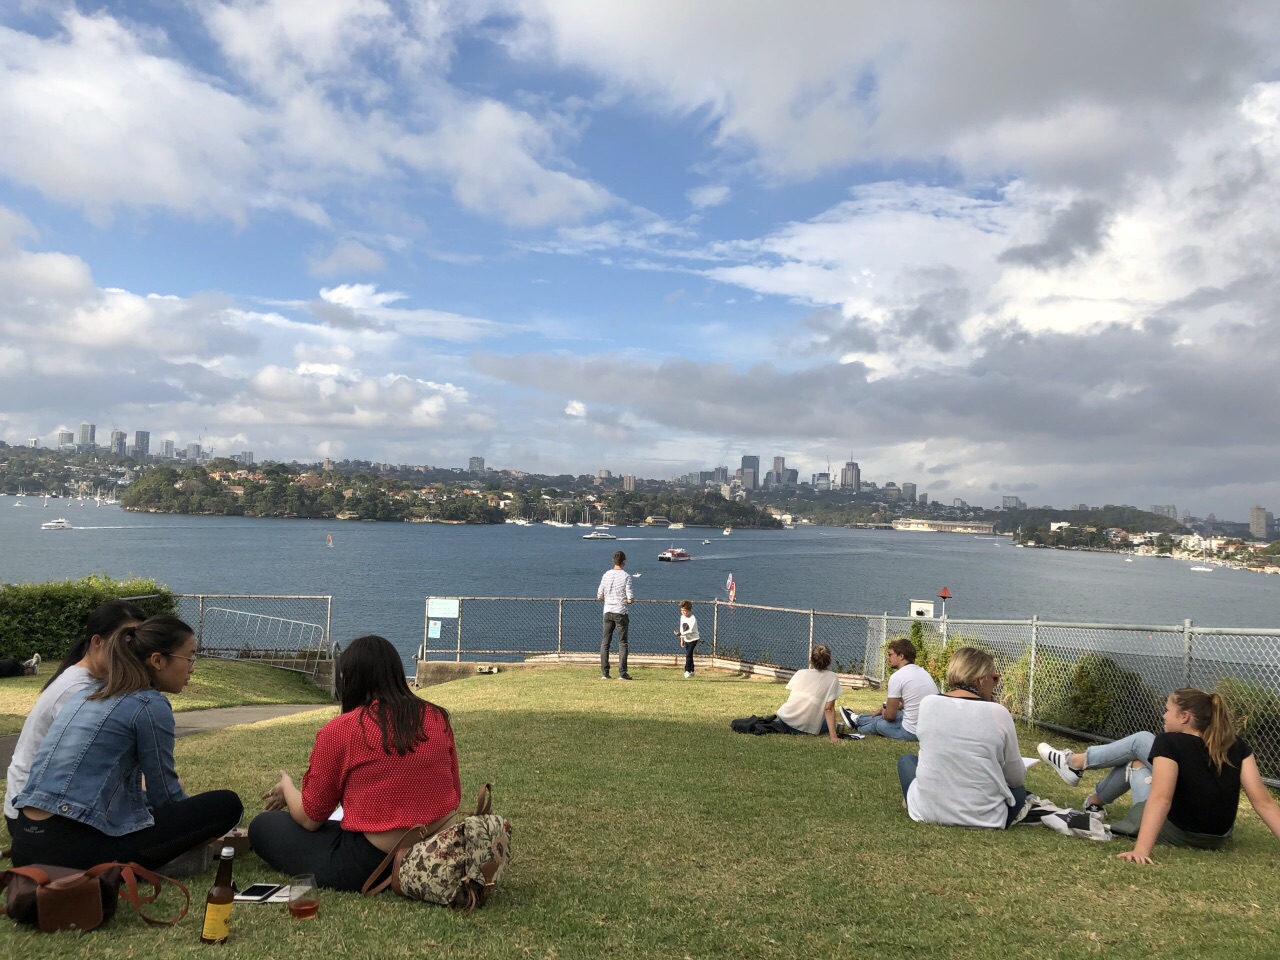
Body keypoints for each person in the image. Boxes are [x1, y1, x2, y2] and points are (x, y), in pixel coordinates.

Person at [10, 616, 243, 870]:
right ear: (157, 660)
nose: (192, 668)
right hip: (71, 851)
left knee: (141, 803)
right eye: (189, 658)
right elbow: (166, 797)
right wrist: (200, 829)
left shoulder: (87, 693)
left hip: (25, 842)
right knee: (227, 805)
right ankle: (165, 862)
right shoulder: (149, 704)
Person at [248, 635, 461, 891]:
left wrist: (288, 788)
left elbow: (310, 817)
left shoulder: (342, 729)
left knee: (264, 825)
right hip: (438, 845)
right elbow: (455, 793)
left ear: (349, 679)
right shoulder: (436, 717)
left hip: (373, 860)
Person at [1038, 688, 1280, 863]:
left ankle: (1076, 766)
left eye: (1167, 710)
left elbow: (1161, 798)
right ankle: (1093, 801)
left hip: (1179, 832)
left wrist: (1142, 849)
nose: (1164, 715)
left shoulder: (1169, 742)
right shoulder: (1237, 745)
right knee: (1134, 760)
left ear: (1184, 716)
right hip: (1218, 837)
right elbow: (1264, 802)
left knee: (1141, 741)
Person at [5, 599, 146, 836]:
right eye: (126, 639)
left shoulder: (94, 682)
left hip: (46, 805)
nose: (132, 651)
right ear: (97, 642)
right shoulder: (76, 690)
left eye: (137, 642)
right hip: (34, 815)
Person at [900, 647, 1027, 829]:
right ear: (981, 680)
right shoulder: (999, 713)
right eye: (995, 678)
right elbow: (1015, 779)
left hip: (927, 811)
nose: (996, 684)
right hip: (986, 818)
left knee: (906, 761)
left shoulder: (927, 704)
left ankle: (925, 798)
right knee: (1019, 791)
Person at [839, 638, 938, 741]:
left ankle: (857, 725)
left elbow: (890, 716)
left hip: (912, 732)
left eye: (890, 654)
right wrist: (888, 710)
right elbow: (916, 701)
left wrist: (885, 712)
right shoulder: (923, 672)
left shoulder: (898, 677)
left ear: (901, 656)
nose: (888, 658)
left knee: (880, 724)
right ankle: (855, 719)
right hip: (929, 729)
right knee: (893, 714)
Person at [772, 644, 842, 743]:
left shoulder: (800, 673)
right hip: (804, 728)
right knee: (828, 724)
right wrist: (834, 737)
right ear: (829, 661)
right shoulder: (832, 678)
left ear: (812, 659)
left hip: (785, 721)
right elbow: (829, 709)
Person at [597, 550, 633, 681]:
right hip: (620, 611)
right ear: (624, 561)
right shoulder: (626, 576)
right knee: (622, 643)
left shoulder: (606, 575)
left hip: (608, 611)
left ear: (613, 561)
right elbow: (630, 597)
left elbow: (599, 595)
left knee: (605, 642)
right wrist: (629, 600)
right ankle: (622, 673)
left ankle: (604, 673)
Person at [674, 600, 699, 677]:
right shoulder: (682, 617)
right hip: (686, 639)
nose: (683, 612)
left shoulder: (693, 619)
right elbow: (682, 628)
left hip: (694, 639)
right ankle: (692, 671)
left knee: (688, 654)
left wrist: (680, 634)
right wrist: (682, 639)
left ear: (689, 610)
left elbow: (690, 630)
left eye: (684, 610)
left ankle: (687, 671)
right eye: (681, 610)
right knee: (689, 655)